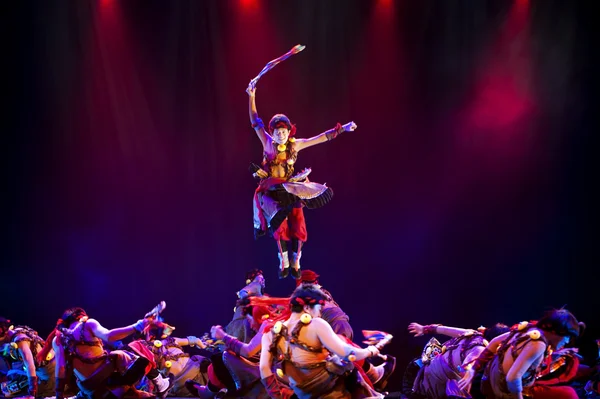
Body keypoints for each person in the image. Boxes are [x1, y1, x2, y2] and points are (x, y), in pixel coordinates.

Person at [247, 83, 357, 279]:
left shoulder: (295, 145)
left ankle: (297, 259)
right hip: (271, 189)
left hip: (289, 188)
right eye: (277, 132)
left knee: (298, 220)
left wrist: (343, 129)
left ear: (289, 132)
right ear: (272, 133)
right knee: (278, 223)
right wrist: (252, 96)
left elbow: (320, 138)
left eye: (284, 132)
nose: (281, 135)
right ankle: (284, 260)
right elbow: (255, 121)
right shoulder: (267, 142)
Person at [259, 284, 385, 398]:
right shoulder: (316, 324)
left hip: (303, 394)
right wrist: (370, 351)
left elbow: (264, 368)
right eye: (319, 310)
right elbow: (349, 354)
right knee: (345, 364)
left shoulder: (270, 333)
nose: (319, 315)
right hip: (329, 390)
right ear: (307, 307)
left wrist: (277, 396)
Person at [458, 308, 585, 399]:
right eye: (567, 337)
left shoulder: (528, 329)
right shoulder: (538, 344)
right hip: (505, 392)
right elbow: (512, 378)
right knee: (568, 394)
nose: (567, 341)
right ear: (556, 331)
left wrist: (474, 369)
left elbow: (495, 342)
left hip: (490, 385)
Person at [49, 307, 173, 399]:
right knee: (137, 346)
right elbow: (109, 336)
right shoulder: (87, 324)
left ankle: (144, 390)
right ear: (81, 316)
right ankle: (161, 384)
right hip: (110, 378)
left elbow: (61, 368)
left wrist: (59, 394)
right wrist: (139, 325)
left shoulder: (58, 340)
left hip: (92, 391)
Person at [405, 321, 510, 399]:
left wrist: (424, 329)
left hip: (421, 368)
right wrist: (465, 390)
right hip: (430, 383)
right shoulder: (481, 349)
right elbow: (466, 368)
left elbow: (444, 330)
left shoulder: (473, 333)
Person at [135, 319, 209, 397]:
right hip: (184, 384)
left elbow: (195, 340)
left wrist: (205, 347)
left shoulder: (170, 341)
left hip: (198, 371)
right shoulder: (147, 355)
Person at [0, 316, 55, 398]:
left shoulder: (19, 340)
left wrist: (32, 391)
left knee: (13, 394)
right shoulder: (17, 332)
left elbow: (30, 365)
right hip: (41, 373)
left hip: (49, 376)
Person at [225, 269, 266, 343]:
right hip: (243, 324)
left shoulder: (258, 290)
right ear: (254, 279)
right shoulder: (256, 285)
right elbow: (242, 292)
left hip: (240, 324)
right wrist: (246, 299)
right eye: (260, 278)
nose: (263, 280)